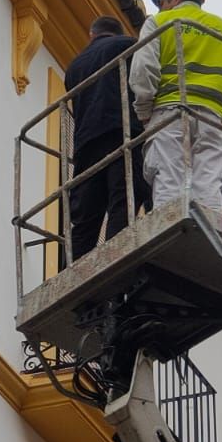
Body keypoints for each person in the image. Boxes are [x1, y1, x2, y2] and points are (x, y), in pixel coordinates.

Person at [129, 0, 222, 213]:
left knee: (169, 175)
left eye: (162, 3)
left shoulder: (160, 22)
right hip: (214, 118)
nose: (161, 9)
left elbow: (143, 69)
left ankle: (170, 228)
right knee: (210, 180)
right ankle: (208, 231)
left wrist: (144, 110)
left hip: (170, 111)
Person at [63, 15, 150, 261]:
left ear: (92, 34)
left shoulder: (74, 67)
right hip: (121, 133)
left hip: (85, 145)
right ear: (117, 32)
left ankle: (73, 274)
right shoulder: (128, 46)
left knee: (85, 219)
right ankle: (115, 264)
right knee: (124, 200)